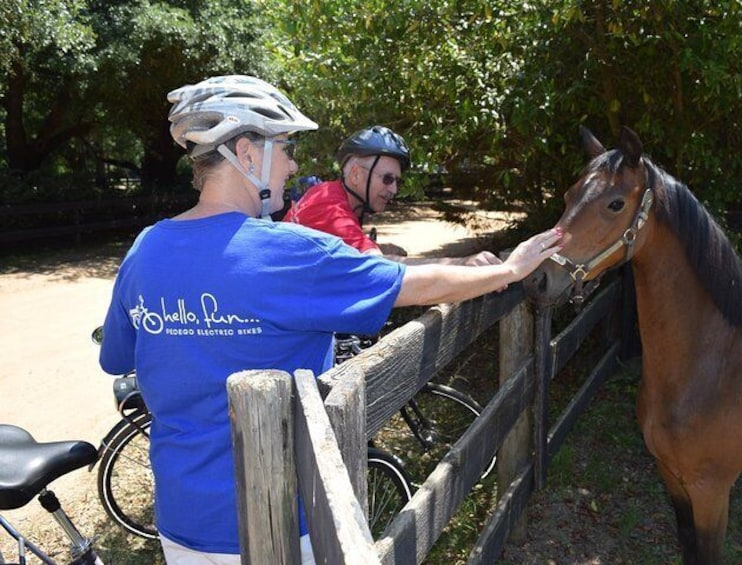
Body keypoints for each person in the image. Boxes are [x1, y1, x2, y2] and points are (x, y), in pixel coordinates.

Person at [97, 74, 562, 565]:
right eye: (286, 147)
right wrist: (511, 270)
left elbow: (118, 358)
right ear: (248, 154)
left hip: (182, 525)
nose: (294, 165)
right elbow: (413, 285)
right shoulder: (289, 252)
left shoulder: (145, 248)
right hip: (289, 519)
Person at [284, 125, 499, 265]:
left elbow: (343, 250)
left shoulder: (331, 194)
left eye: (397, 181)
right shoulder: (330, 207)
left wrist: (378, 246)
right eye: (387, 178)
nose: (394, 190)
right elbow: (380, 267)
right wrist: (462, 264)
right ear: (356, 174)